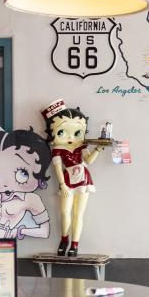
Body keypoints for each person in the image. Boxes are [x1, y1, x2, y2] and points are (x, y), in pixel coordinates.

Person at [42, 100, 102, 257]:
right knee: (64, 211)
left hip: (83, 179)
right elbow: (57, 168)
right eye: (62, 132)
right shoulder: (57, 149)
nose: (70, 137)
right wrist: (62, 184)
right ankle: (64, 239)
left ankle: (75, 244)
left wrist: (98, 149)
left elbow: (88, 161)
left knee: (78, 214)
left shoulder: (82, 147)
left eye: (76, 132)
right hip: (68, 180)